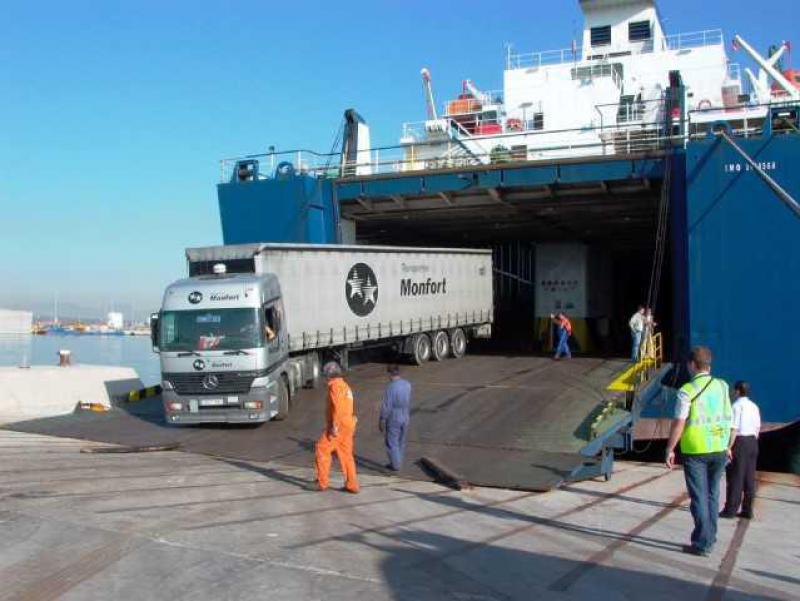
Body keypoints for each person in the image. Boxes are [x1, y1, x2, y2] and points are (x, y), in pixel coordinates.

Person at [665, 346, 732, 556]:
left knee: (699, 497)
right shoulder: (722, 386)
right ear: (708, 365)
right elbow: (729, 418)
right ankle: (710, 537)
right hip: (719, 448)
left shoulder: (687, 390)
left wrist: (670, 448)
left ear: (693, 365)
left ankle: (703, 543)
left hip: (696, 450)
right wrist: (729, 446)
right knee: (713, 495)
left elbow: (679, 423)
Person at [315, 361, 359, 493]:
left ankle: (322, 482)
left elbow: (338, 407)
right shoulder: (345, 386)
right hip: (348, 424)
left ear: (329, 375)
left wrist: (334, 426)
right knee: (346, 455)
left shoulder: (335, 386)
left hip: (338, 426)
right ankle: (352, 484)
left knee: (322, 448)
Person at [720, 381, 761, 519]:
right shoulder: (754, 406)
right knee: (749, 477)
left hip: (740, 441)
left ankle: (730, 510)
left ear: (737, 391)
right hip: (752, 442)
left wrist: (728, 447)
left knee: (735, 477)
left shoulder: (736, 406)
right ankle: (747, 510)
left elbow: (734, 429)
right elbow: (757, 427)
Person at [379, 364, 412, 472]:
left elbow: (387, 406)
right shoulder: (407, 384)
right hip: (405, 414)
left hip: (394, 415)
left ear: (390, 373)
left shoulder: (391, 387)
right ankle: (397, 461)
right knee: (401, 441)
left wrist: (382, 419)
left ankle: (396, 465)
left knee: (392, 441)